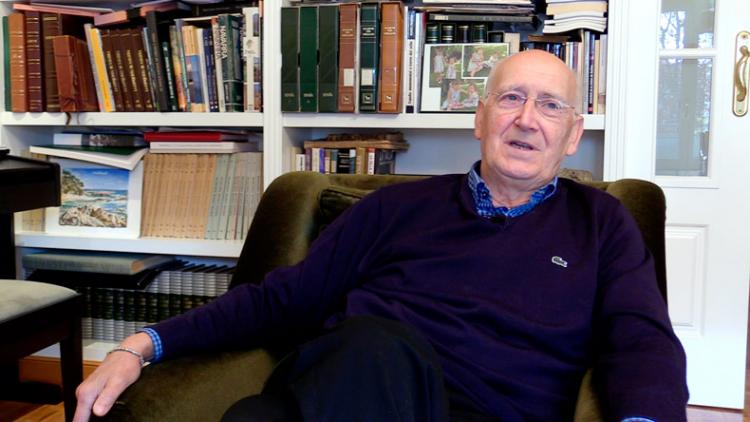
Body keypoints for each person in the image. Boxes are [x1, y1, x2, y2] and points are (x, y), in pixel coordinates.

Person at [74, 50, 688, 422]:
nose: (528, 119)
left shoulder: (601, 223)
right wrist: (143, 344)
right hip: (349, 378)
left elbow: (642, 341)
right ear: (480, 118)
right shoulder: (396, 207)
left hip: (487, 409)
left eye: (551, 106)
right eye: (511, 98)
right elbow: (283, 297)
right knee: (361, 352)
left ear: (573, 135)